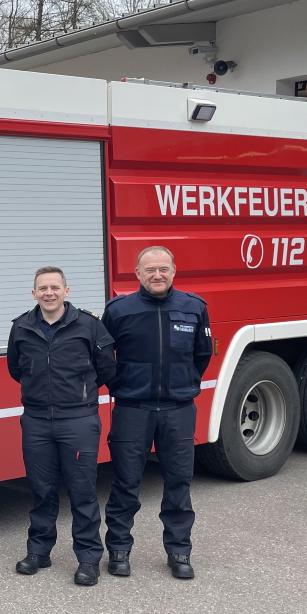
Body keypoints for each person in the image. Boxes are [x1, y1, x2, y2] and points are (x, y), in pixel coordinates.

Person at [101, 246, 212, 579]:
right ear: (137, 274)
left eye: (163, 269)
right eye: (150, 270)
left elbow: (202, 354)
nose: (157, 275)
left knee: (178, 483)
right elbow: (104, 357)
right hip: (133, 409)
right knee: (126, 483)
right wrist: (124, 383)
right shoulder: (119, 310)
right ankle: (118, 549)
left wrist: (182, 382)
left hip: (178, 410)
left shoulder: (194, 308)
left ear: (174, 270)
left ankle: (179, 551)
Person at [7, 267, 116, 586]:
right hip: (37, 420)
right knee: (41, 490)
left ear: (66, 291)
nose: (49, 293)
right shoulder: (22, 327)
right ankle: (39, 551)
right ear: (34, 293)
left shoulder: (89, 325)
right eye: (42, 288)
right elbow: (16, 368)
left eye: (55, 287)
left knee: (82, 492)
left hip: (78, 420)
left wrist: (78, 393)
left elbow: (106, 367)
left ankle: (88, 558)